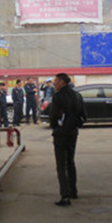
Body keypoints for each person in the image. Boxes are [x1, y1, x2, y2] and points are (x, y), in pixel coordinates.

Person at [49, 73, 86, 206]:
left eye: (56, 81)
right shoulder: (77, 96)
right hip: (73, 133)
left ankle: (65, 196)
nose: (54, 83)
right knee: (70, 161)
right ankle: (73, 191)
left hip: (61, 134)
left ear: (63, 82)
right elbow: (83, 115)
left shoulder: (58, 97)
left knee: (61, 164)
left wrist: (55, 126)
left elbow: (53, 116)